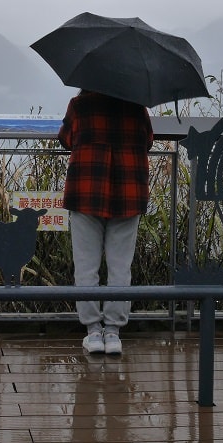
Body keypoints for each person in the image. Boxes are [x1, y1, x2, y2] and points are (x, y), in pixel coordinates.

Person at [58, 89, 154, 355]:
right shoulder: (137, 107)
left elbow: (66, 139)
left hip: (86, 191)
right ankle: (113, 333)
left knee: (86, 266)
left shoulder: (80, 105)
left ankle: (93, 332)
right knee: (120, 267)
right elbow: (148, 141)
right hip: (128, 193)